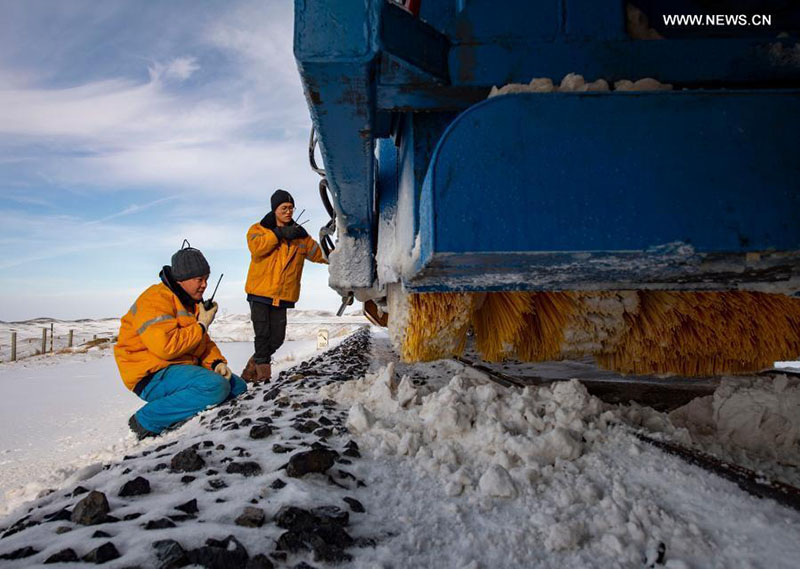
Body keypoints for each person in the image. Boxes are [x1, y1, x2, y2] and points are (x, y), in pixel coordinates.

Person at [114, 241, 247, 439]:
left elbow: (202, 342)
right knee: (215, 386)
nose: (204, 285)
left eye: (207, 279)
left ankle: (191, 411)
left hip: (179, 368)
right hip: (150, 374)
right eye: (199, 279)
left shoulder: (191, 303)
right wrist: (201, 325)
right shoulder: (155, 299)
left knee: (238, 386)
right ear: (182, 279)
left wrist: (217, 363)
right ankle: (146, 420)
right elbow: (166, 348)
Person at [242, 189, 327, 382]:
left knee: (278, 338)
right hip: (260, 293)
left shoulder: (300, 236)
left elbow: (319, 253)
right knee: (262, 336)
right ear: (275, 209)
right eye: (284, 208)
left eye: (291, 208)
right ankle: (263, 379)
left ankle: (250, 369)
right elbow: (257, 250)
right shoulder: (258, 230)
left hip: (284, 296)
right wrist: (278, 233)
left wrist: (340, 254)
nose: (288, 212)